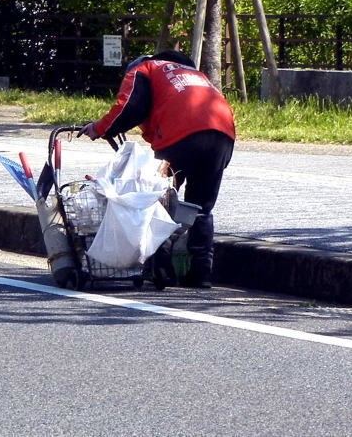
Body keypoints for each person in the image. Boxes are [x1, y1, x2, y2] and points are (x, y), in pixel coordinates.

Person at [80, 50, 236, 288]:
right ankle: (201, 273)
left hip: (180, 136)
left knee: (159, 201)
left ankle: (162, 269)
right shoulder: (195, 74)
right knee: (201, 207)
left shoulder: (144, 69)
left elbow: (130, 107)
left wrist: (100, 128)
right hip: (223, 136)